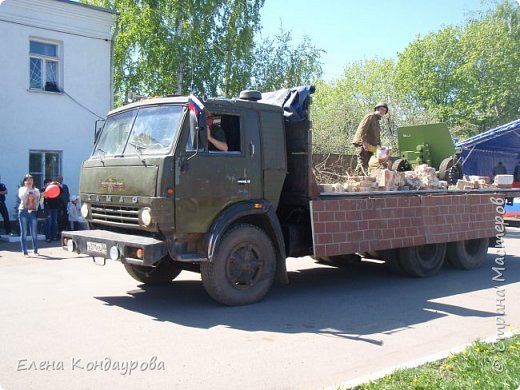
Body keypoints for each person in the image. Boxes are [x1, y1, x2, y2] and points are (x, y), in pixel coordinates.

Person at [352, 102, 389, 175]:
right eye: (381, 109)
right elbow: (362, 129)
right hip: (364, 144)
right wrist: (364, 143)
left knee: (370, 164)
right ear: (377, 109)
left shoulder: (377, 122)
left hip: (371, 146)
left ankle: (366, 182)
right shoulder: (370, 116)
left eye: (384, 111)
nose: (383, 112)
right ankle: (355, 182)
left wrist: (379, 147)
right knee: (362, 163)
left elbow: (376, 136)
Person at [18, 174, 40, 256]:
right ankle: (25, 251)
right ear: (25, 182)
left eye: (31, 180)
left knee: (34, 232)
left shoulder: (36, 190)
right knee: (24, 232)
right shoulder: (22, 189)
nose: (30, 181)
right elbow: (21, 197)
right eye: (28, 180)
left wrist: (42, 196)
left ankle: (36, 250)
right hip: (23, 211)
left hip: (33, 212)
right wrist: (27, 189)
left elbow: (39, 201)